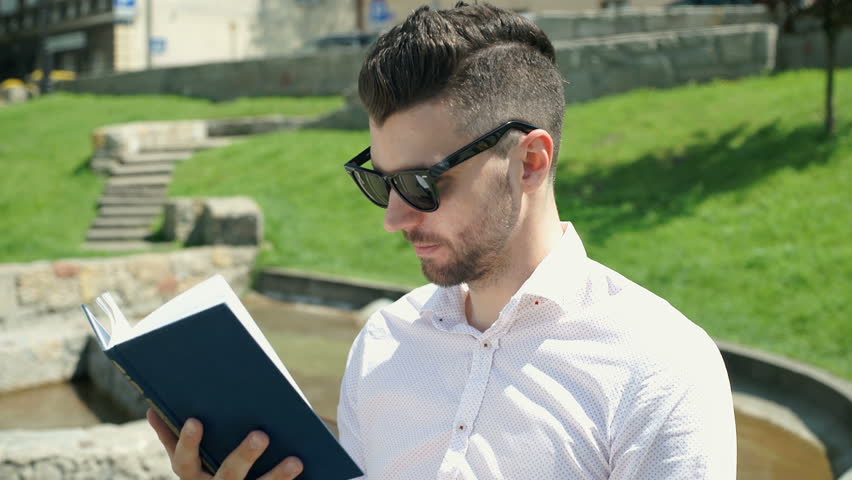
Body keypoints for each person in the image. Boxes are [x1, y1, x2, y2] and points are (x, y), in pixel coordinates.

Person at [148, 2, 737, 479]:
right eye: (380, 182)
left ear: (530, 162)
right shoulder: (382, 343)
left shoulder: (659, 367)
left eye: (422, 183)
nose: (394, 218)